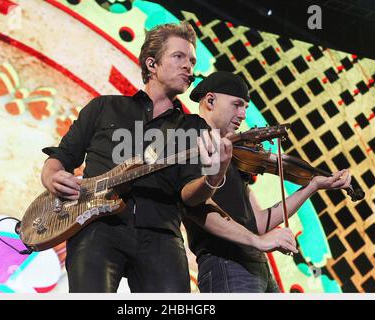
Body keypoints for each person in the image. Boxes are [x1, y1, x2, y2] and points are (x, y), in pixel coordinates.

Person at [40, 22, 232, 292]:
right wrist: (52, 176)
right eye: (179, 57)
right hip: (97, 228)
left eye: (192, 61)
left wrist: (214, 176)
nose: (189, 66)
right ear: (152, 64)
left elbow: (190, 196)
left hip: (161, 236)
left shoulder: (194, 128)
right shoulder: (104, 107)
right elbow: (61, 157)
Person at [183, 71, 352, 293]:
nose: (243, 114)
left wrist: (312, 186)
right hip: (225, 262)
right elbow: (194, 206)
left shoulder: (233, 155)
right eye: (237, 104)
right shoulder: (190, 142)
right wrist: (257, 241)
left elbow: (259, 222)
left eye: (246, 107)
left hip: (257, 265)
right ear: (211, 100)